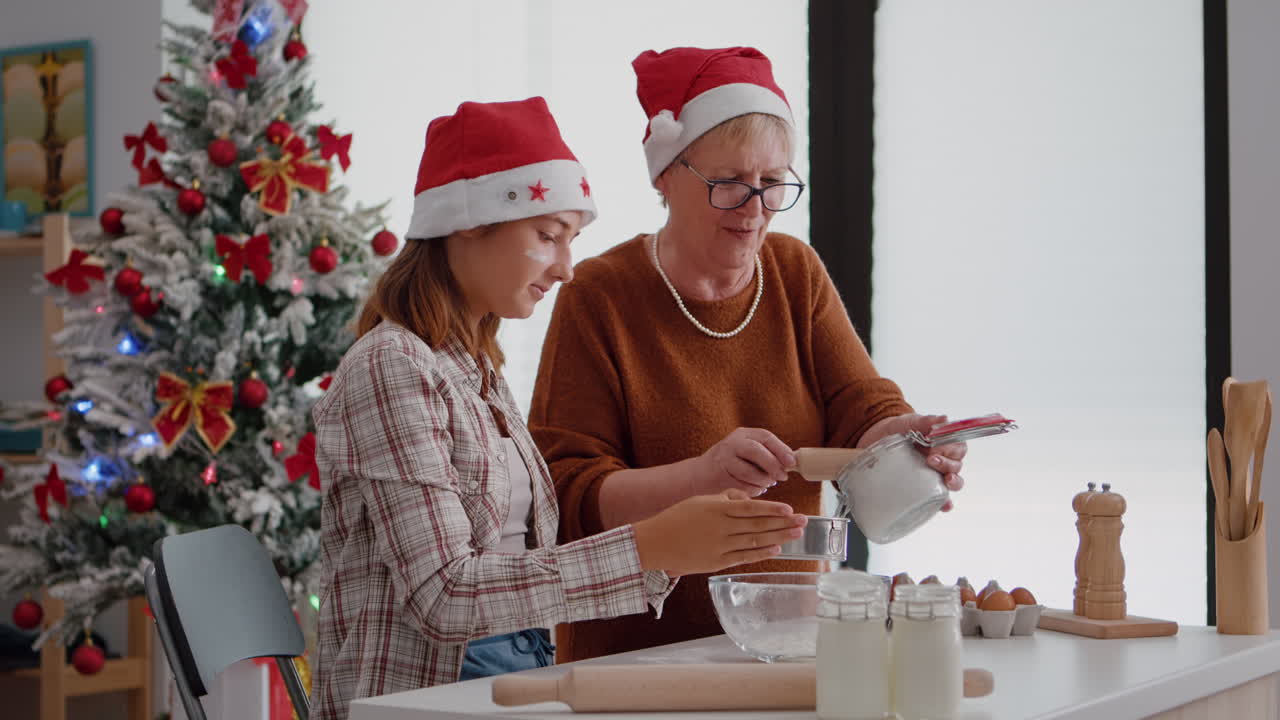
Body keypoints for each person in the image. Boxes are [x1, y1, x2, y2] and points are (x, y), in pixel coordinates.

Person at [310, 97, 806, 720]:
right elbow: (443, 597)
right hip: (426, 701)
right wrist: (651, 548)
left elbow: (519, 568)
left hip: (510, 683)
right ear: (467, 222)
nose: (568, 268)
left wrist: (680, 531)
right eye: (548, 236)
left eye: (571, 241)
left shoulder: (474, 371)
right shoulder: (392, 368)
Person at [528, 46, 969, 663]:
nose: (755, 209)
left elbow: (858, 407)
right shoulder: (600, 294)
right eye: (730, 183)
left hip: (785, 644)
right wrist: (700, 477)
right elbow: (566, 497)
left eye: (771, 184)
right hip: (632, 660)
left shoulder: (794, 271)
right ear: (666, 175)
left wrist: (908, 436)